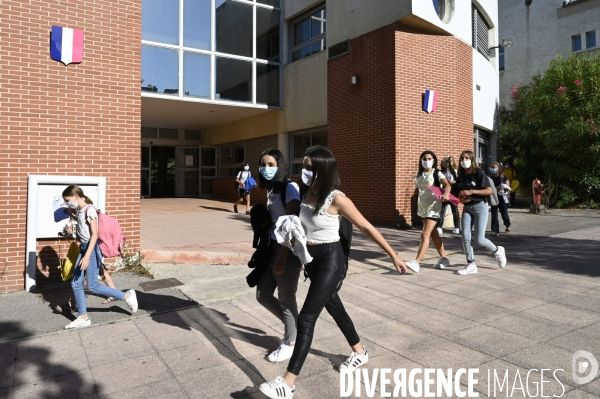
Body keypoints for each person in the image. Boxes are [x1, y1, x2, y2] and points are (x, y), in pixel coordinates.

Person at [259, 145, 407, 399]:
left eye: (308, 167)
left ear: (322, 169)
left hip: (331, 261)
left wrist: (393, 255)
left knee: (306, 318)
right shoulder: (306, 193)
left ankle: (287, 384)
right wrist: (288, 255)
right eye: (303, 166)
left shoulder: (337, 198)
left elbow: (366, 226)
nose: (303, 171)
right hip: (313, 261)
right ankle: (360, 352)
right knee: (334, 307)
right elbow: (295, 228)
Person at [62, 185, 138, 329]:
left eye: (68, 200)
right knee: (76, 283)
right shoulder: (79, 211)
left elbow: (94, 235)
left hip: (90, 250)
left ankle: (126, 296)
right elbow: (83, 234)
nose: (67, 203)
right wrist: (71, 231)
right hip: (83, 249)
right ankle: (83, 317)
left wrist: (86, 257)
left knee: (93, 286)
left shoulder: (90, 210)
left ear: (76, 196)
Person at [255, 149, 303, 363]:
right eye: (263, 164)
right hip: (271, 248)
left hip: (286, 251)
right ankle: (294, 328)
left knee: (286, 298)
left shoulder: (289, 187)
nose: (266, 168)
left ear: (280, 165)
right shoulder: (272, 188)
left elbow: (293, 224)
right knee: (263, 294)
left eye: (271, 164)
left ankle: (290, 343)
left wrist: (283, 257)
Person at [452, 151, 507, 275]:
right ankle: (471, 264)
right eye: (462, 158)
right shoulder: (461, 176)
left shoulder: (479, 173)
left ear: (472, 159)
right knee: (465, 236)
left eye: (466, 158)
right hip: (467, 208)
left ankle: (497, 250)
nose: (464, 160)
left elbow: (488, 191)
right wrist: (459, 198)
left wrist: (471, 191)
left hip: (480, 207)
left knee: (479, 239)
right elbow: (456, 193)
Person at [405, 150, 452, 272]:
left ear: (434, 161)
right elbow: (419, 187)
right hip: (422, 207)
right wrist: (416, 192)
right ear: (421, 161)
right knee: (433, 234)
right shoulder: (419, 173)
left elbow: (447, 185)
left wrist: (446, 194)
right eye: (424, 159)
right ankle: (444, 258)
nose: (427, 161)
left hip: (434, 207)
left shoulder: (437, 173)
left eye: (429, 159)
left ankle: (417, 262)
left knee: (424, 234)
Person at [437, 157, 460, 236]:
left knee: (455, 210)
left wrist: (452, 181)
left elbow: (459, 182)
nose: (441, 165)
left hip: (453, 193)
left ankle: (457, 227)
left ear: (447, 164)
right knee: (442, 210)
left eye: (443, 163)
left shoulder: (455, 171)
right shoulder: (440, 172)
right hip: (443, 192)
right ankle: (439, 227)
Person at [489, 162, 512, 237]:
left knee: (504, 213)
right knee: (494, 214)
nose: (492, 169)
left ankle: (507, 224)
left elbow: (507, 186)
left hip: (502, 198)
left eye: (494, 167)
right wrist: (496, 188)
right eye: (491, 167)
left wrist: (505, 188)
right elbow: (488, 188)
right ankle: (496, 231)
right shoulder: (490, 178)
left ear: (498, 168)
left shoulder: (503, 177)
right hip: (494, 198)